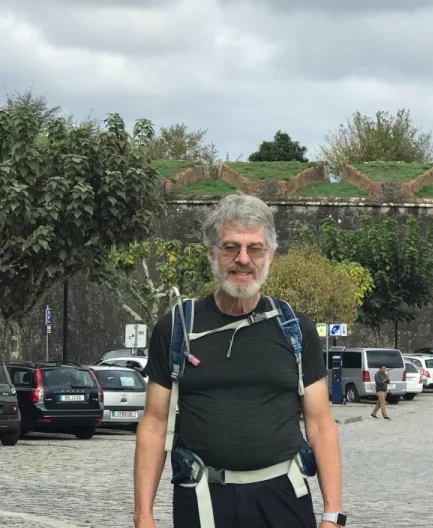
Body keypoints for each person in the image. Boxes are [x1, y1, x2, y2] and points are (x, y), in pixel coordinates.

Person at [133, 194, 346, 528]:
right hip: (202, 498)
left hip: (284, 500)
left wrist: (333, 515)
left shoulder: (295, 329)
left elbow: (320, 424)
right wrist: (143, 515)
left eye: (255, 248)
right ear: (212, 255)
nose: (243, 259)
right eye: (231, 247)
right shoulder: (176, 328)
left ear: (270, 257)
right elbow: (155, 423)